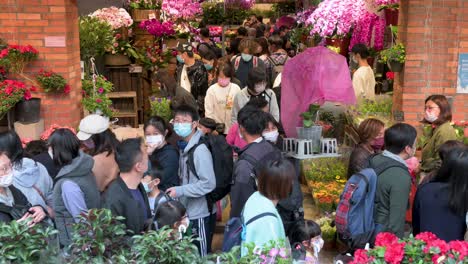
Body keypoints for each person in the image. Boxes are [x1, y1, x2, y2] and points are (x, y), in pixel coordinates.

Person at [166, 105, 216, 256]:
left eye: (184, 121)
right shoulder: (184, 147)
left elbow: (209, 183)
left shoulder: (199, 150)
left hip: (199, 212)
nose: (179, 124)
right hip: (188, 211)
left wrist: (180, 191)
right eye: (177, 121)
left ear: (194, 124)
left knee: (200, 255)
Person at [51, 128, 101, 247]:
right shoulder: (82, 169)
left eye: (51, 148)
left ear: (57, 151)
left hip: (77, 245)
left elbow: (82, 219)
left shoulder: (68, 183)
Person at [230, 106, 279, 218]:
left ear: (241, 128)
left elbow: (240, 201)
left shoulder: (245, 163)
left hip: (255, 219)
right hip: (272, 213)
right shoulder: (271, 148)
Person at [241, 158, 295, 256]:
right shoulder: (268, 220)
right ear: (282, 186)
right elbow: (270, 258)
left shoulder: (255, 197)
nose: (292, 183)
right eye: (290, 181)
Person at [413, 146, 468, 242]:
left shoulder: (425, 189)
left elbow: (416, 226)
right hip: (457, 254)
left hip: (426, 250)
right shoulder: (463, 194)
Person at [372, 123, 417, 238]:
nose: (416, 147)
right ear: (407, 149)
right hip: (382, 229)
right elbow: (396, 220)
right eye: (415, 143)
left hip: (366, 221)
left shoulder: (374, 159)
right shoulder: (400, 175)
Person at [103, 138, 152, 235]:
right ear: (138, 167)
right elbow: (115, 239)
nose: (149, 157)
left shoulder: (138, 186)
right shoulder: (114, 198)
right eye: (146, 156)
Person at [0, 131, 54, 218]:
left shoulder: (7, 176)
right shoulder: (39, 166)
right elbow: (51, 195)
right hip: (46, 221)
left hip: (27, 224)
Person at [76, 114, 120, 192]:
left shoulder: (96, 161)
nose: (84, 143)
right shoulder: (114, 146)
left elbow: (94, 188)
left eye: (88, 140)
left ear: (98, 138)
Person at [420, 95, 458, 178]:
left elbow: (442, 161)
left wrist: (421, 168)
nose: (426, 111)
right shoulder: (435, 127)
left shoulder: (445, 130)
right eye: (425, 108)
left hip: (435, 177)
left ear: (442, 109)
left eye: (430, 108)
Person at [205, 62, 241, 134]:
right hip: (217, 129)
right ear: (217, 76)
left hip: (232, 128)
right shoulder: (212, 90)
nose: (223, 79)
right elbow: (209, 111)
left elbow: (239, 109)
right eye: (221, 77)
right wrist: (212, 128)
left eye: (226, 77)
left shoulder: (236, 88)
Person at [144, 117, 179, 192]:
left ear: (165, 133)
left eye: (155, 134)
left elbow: (156, 179)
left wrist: (148, 155)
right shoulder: (149, 151)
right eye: (148, 134)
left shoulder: (170, 154)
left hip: (164, 196)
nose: (152, 137)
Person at [175, 43, 209, 115]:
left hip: (193, 108)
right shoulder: (180, 68)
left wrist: (197, 109)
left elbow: (202, 93)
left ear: (184, 54)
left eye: (179, 54)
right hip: (181, 106)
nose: (178, 56)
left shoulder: (200, 69)